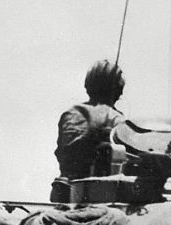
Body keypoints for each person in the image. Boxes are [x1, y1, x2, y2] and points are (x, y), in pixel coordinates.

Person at [53, 59, 126, 198]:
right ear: (118, 90)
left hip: (65, 191)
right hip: (100, 194)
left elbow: (63, 152)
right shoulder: (117, 120)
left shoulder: (71, 113)